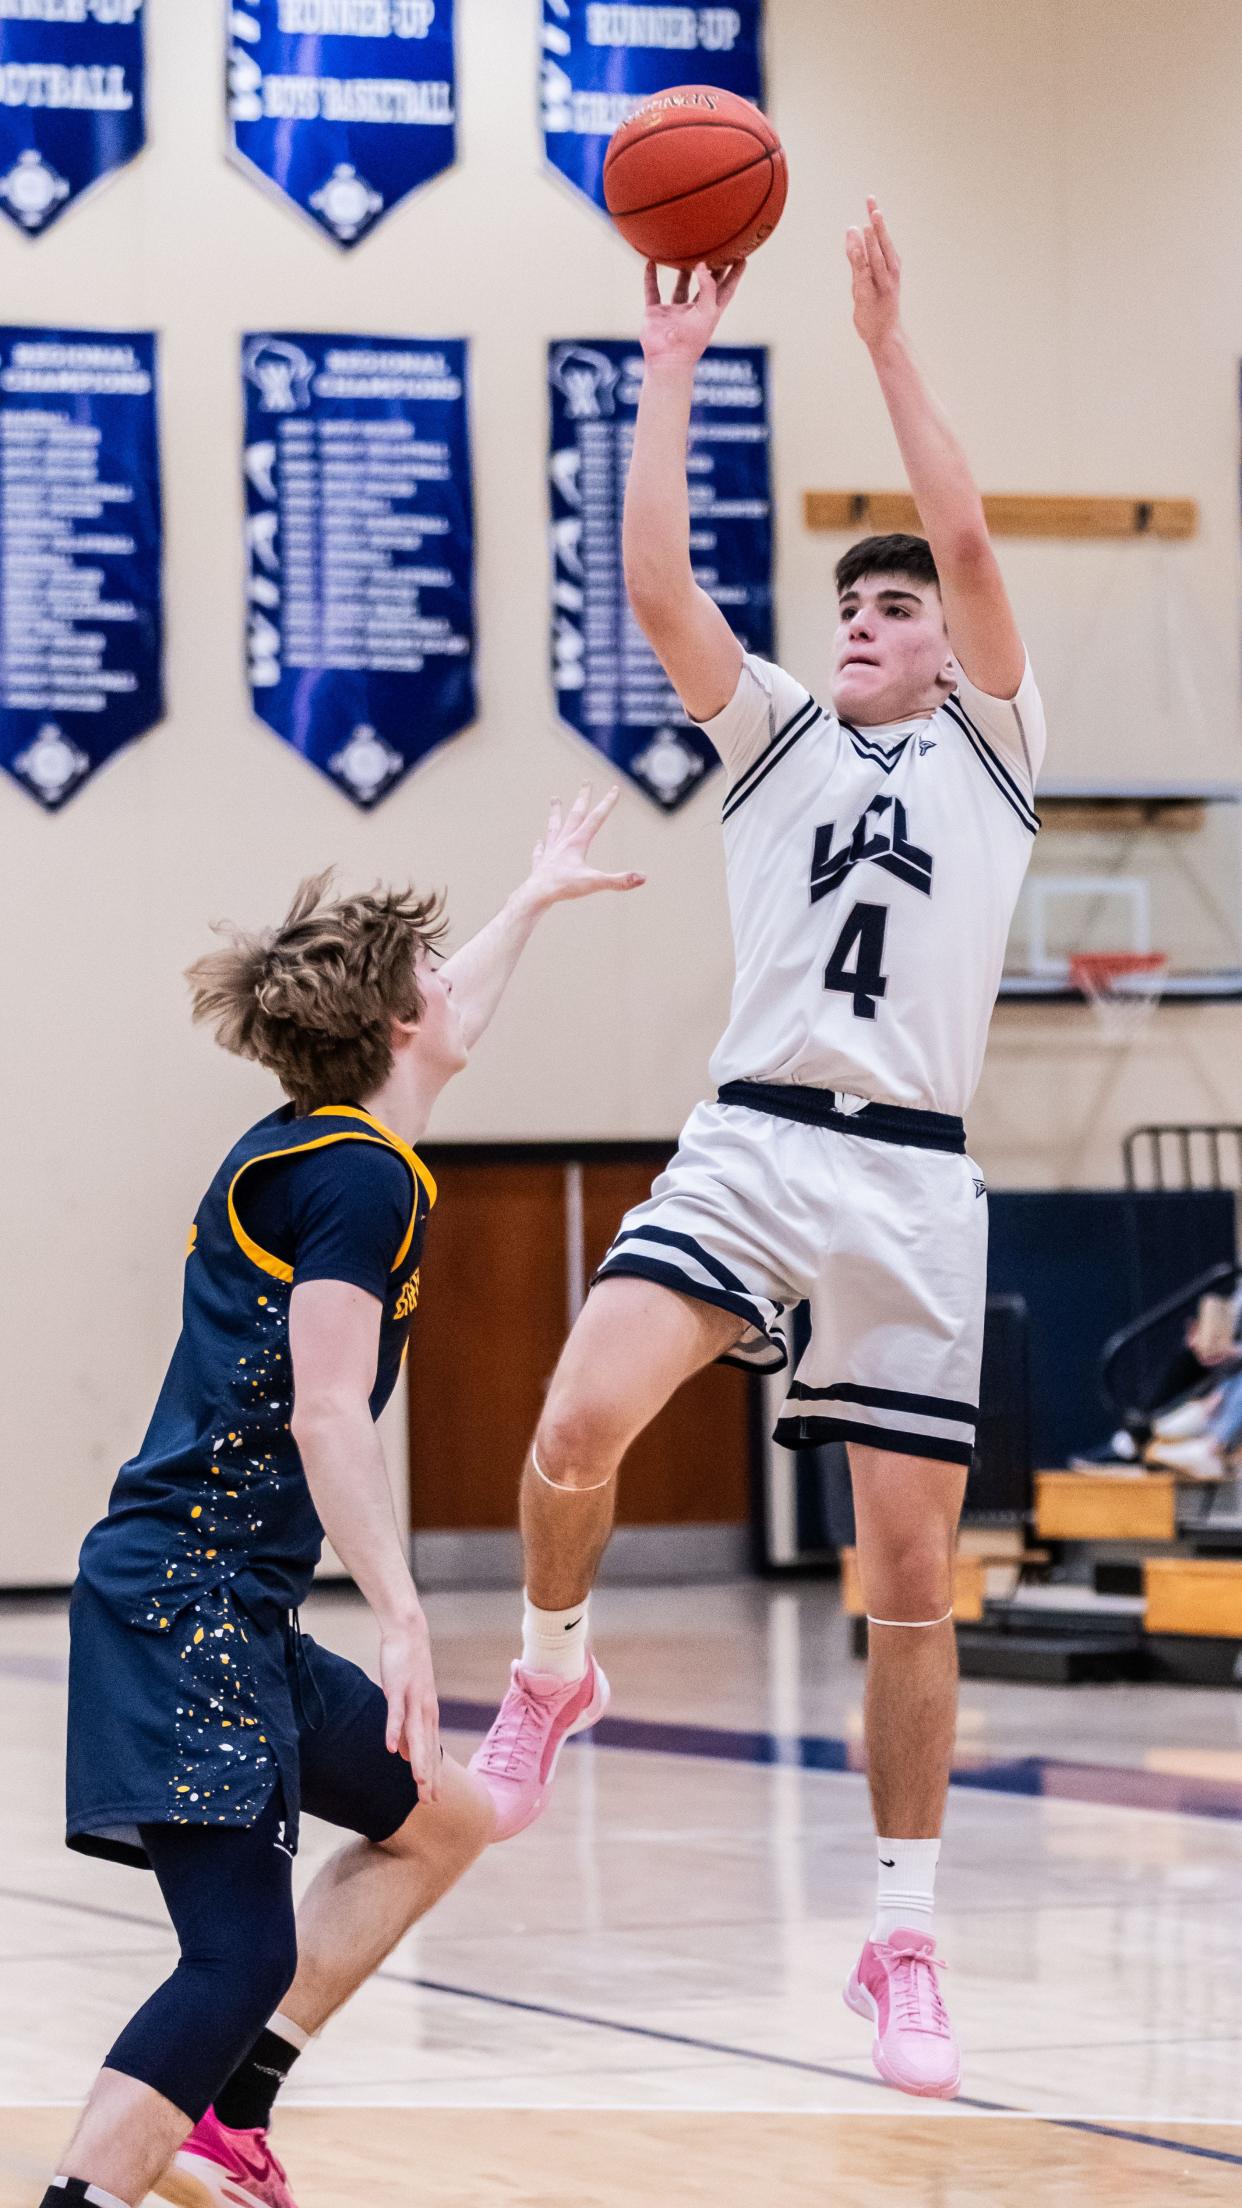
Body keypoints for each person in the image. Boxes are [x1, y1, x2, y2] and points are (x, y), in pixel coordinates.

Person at [469, 203, 1046, 2103]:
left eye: (897, 613)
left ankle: (901, 1937)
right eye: (853, 611)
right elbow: (655, 594)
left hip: (908, 1183)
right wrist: (670, 376)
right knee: (570, 1428)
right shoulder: (786, 741)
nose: (871, 626)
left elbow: (963, 540)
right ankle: (553, 1666)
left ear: (950, 651)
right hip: (752, 1141)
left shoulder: (994, 753)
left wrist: (883, 343)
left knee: (905, 1578)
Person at [42, 791, 642, 2208]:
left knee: (443, 1818)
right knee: (233, 1955)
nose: (455, 988)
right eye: (430, 978)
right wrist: (405, 1615)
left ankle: (227, 2115)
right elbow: (326, 1409)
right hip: (184, 1603)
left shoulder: (327, 1144)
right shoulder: (362, 1181)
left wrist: (535, 898)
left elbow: (452, 1015)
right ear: (392, 1027)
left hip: (217, 1601)